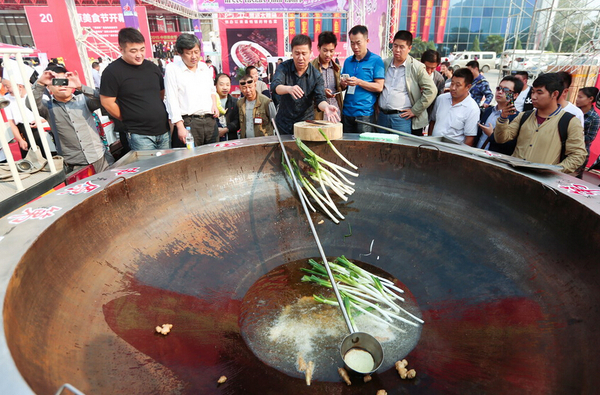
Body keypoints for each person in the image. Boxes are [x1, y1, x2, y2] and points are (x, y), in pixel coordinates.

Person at [494, 73, 587, 174]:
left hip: (542, 182)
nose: (533, 96)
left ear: (555, 94)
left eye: (539, 93)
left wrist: (554, 170)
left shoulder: (569, 121)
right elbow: (501, 138)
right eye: (532, 92)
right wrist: (503, 119)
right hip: (514, 174)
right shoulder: (524, 116)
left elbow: (578, 155)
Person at [32, 64, 113, 173]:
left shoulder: (83, 100)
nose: (62, 85)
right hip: (74, 164)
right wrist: (40, 83)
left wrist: (80, 86)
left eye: (65, 82)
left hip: (100, 158)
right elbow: (31, 104)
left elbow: (102, 99)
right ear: (49, 88)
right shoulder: (47, 107)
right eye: (56, 82)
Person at [100, 28, 170, 150]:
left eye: (142, 49)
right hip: (139, 134)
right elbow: (107, 102)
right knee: (147, 167)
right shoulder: (112, 72)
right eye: (133, 51)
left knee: (166, 166)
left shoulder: (152, 67)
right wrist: (129, 117)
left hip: (163, 130)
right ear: (121, 49)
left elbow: (160, 93)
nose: (139, 55)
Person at [271, 34, 339, 135]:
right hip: (284, 124)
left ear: (310, 53)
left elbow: (320, 98)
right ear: (292, 53)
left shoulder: (316, 75)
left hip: (305, 124)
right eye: (297, 53)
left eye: (304, 53)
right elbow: (275, 86)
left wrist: (326, 107)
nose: (301, 58)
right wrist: (288, 89)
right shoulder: (284, 67)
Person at [163, 33, 219, 148]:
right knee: (192, 159)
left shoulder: (204, 67)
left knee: (213, 157)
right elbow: (172, 99)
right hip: (189, 122)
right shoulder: (173, 69)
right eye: (189, 53)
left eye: (196, 52)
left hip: (209, 120)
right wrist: (180, 126)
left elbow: (211, 89)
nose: (194, 56)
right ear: (180, 53)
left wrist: (214, 104)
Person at [377, 30, 436, 135]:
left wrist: (414, 110)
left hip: (401, 118)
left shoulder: (416, 67)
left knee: (401, 149)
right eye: (395, 46)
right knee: (382, 148)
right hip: (382, 116)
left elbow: (431, 90)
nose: (397, 50)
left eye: (402, 47)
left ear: (409, 48)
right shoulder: (385, 63)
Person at [340, 25, 384, 133]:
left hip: (365, 113)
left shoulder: (376, 60)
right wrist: (343, 84)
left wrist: (359, 82)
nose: (355, 47)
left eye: (358, 43)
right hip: (347, 112)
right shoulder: (347, 61)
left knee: (364, 147)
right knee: (346, 146)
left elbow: (379, 87)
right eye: (352, 43)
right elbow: (342, 87)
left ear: (367, 41)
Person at [429, 67, 479, 145]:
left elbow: (469, 138)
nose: (453, 88)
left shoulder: (472, 108)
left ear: (468, 87)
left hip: (452, 151)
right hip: (434, 146)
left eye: (458, 85)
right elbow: (433, 122)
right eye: (452, 83)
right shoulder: (441, 99)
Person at [475, 75, 524, 153]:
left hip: (494, 160)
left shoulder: (516, 117)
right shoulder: (488, 110)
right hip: (476, 154)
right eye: (499, 88)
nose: (500, 92)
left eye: (506, 90)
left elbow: (511, 147)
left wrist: (492, 135)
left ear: (515, 95)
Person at [311, 31, 343, 120]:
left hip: (335, 111)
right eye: (325, 50)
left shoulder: (337, 68)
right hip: (317, 113)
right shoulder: (311, 67)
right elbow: (306, 90)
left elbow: (339, 89)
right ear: (318, 48)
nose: (328, 54)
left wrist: (343, 85)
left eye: (331, 51)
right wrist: (322, 92)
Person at [237, 74, 276, 138]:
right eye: (244, 88)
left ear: (255, 86)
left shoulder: (266, 102)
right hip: (246, 142)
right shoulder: (240, 103)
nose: (248, 90)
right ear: (240, 89)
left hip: (264, 142)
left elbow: (275, 122)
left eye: (250, 87)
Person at [215, 73, 240, 140]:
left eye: (227, 85)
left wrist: (226, 129)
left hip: (231, 138)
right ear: (215, 85)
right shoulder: (211, 102)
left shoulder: (235, 102)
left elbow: (238, 121)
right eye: (221, 84)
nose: (225, 87)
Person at [575, 87, 600, 155]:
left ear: (591, 99)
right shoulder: (574, 111)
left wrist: (573, 135)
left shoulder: (594, 117)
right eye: (577, 96)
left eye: (580, 97)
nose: (577, 99)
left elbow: (590, 138)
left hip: (580, 152)